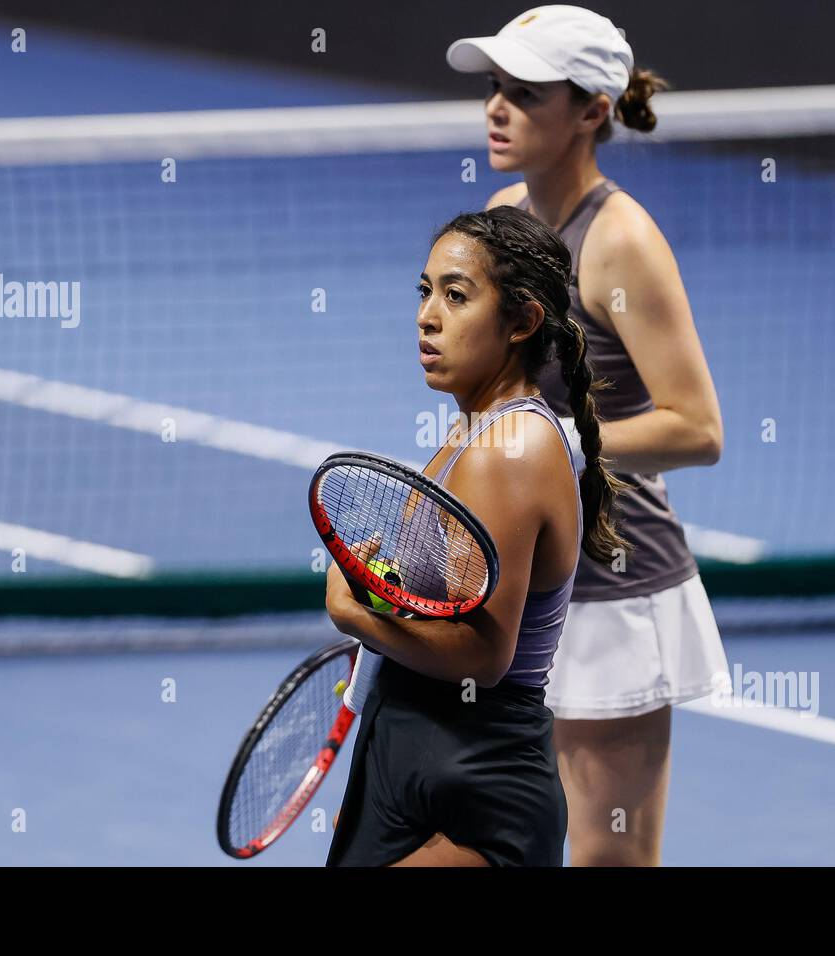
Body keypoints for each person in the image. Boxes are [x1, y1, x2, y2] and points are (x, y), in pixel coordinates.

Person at [446, 4, 731, 866]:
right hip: (515, 566)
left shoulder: (622, 244)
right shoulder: (502, 214)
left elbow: (698, 428)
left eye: (525, 93)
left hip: (614, 579)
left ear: (592, 110)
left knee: (609, 856)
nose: (496, 108)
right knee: (497, 835)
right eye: (495, 88)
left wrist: (567, 441)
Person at [323, 204, 629, 866]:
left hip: (472, 779)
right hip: (423, 751)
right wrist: (388, 593)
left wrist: (355, 614)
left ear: (521, 322)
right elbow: (451, 598)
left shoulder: (509, 450)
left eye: (456, 296)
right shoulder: (472, 432)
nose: (427, 316)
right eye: (426, 291)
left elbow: (481, 656)